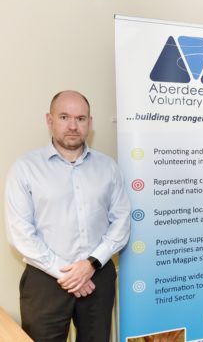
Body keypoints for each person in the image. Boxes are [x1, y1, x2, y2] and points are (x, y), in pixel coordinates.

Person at [4, 90, 131, 341]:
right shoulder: (25, 169)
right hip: (45, 281)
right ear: (49, 120)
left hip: (98, 276)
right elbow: (20, 234)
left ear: (90, 123)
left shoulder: (108, 167)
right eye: (64, 117)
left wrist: (91, 264)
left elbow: (122, 221)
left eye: (81, 118)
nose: (73, 126)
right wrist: (70, 275)